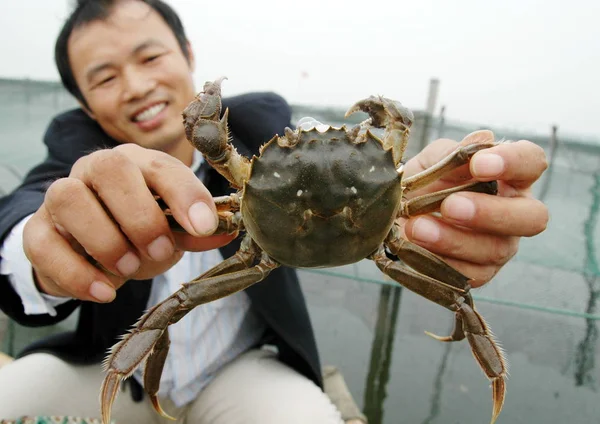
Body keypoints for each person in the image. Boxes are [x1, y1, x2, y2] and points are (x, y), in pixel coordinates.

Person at [0, 0, 549, 423]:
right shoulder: (73, 160)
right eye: (105, 76)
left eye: (150, 57)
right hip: (104, 367)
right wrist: (40, 244)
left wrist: (471, 187)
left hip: (245, 368)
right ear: (82, 101)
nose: (138, 85)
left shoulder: (266, 134)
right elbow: (24, 215)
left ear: (188, 55)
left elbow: (365, 162)